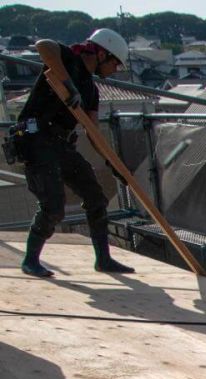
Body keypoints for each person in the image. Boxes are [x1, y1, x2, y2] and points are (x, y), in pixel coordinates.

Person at [19, 29, 134, 278]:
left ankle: (103, 259)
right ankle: (30, 260)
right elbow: (44, 44)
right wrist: (67, 84)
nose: (115, 70)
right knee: (53, 207)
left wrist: (113, 163)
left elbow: (92, 131)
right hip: (36, 139)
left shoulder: (91, 90)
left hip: (60, 144)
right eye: (115, 63)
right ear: (102, 53)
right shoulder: (67, 59)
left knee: (96, 197)